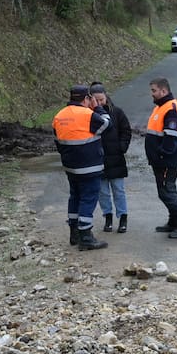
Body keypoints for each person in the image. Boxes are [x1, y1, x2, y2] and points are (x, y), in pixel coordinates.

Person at [53, 84, 109, 251]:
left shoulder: (59, 116)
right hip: (89, 165)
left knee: (75, 197)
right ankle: (85, 236)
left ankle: (74, 233)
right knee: (88, 198)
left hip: (71, 166)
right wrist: (99, 108)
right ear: (86, 99)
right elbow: (106, 125)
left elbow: (58, 142)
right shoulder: (89, 114)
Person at [144, 77, 177, 238]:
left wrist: (162, 154)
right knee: (167, 190)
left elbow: (170, 138)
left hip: (166, 160)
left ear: (164, 91)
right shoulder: (160, 107)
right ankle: (173, 221)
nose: (152, 94)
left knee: (166, 191)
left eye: (154, 90)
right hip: (161, 160)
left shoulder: (171, 109)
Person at [90, 82, 132, 233]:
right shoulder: (89, 115)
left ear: (106, 96)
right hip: (97, 159)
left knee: (118, 190)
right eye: (97, 100)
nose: (100, 103)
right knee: (103, 192)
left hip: (116, 157)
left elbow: (126, 131)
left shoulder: (117, 112)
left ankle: (123, 218)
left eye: (102, 99)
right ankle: (108, 218)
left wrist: (122, 147)